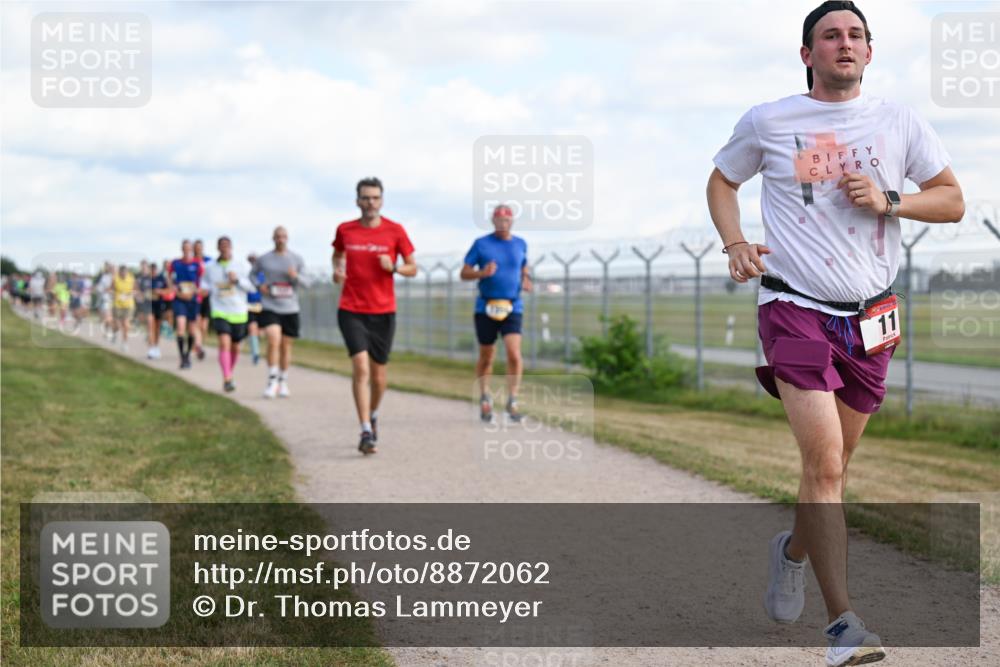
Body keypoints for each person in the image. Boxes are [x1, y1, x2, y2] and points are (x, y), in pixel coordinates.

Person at [706, 3, 964, 665]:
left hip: (872, 318)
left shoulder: (899, 122)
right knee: (823, 465)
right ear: (808, 54)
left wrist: (890, 200)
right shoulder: (770, 120)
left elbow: (952, 198)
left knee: (834, 468)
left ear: (869, 53)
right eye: (830, 35)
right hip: (793, 306)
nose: (843, 44)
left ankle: (792, 551)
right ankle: (844, 625)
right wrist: (735, 241)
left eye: (855, 35)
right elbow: (722, 179)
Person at [332, 177, 417, 455]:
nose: (371, 203)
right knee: (361, 368)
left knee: (379, 379)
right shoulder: (346, 230)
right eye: (366, 198)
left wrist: (393, 267)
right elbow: (337, 254)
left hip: (383, 311)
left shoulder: (395, 231)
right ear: (357, 201)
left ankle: (374, 413)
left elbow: (413, 268)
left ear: (382, 200)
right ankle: (365, 430)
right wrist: (337, 270)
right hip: (351, 308)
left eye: (375, 198)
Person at [460, 204, 532, 422]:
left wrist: (526, 278)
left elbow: (523, 266)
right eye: (499, 220)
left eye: (507, 220)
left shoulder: (520, 244)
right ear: (493, 221)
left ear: (512, 222)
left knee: (514, 353)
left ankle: (513, 400)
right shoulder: (481, 244)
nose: (503, 223)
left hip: (512, 306)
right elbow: (464, 273)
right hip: (486, 307)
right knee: (487, 355)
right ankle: (485, 396)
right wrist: (482, 273)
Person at [253, 226, 306, 398]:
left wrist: (295, 276)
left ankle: (283, 381)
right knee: (273, 339)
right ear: (273, 238)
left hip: (290, 307)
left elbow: (306, 282)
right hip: (270, 305)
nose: (280, 239)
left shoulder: (296, 259)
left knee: (286, 345)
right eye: (277, 236)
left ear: (287, 238)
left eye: (283, 236)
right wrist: (259, 285)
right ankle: (272, 380)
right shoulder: (264, 259)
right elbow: (252, 275)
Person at [203, 236, 254, 392]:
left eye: (227, 245)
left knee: (236, 347)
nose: (224, 248)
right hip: (219, 309)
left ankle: (229, 373)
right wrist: (203, 290)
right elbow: (204, 283)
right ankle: (227, 377)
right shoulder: (210, 267)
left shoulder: (242, 265)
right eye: (221, 246)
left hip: (238, 311)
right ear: (218, 248)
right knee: (224, 342)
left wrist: (237, 280)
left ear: (231, 247)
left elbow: (252, 287)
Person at [169, 240, 205, 369]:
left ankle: (188, 354)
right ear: (181, 249)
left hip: (193, 300)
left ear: (192, 249)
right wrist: (176, 291)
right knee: (180, 326)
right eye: (184, 248)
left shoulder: (197, 264)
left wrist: (195, 292)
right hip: (179, 299)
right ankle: (182, 357)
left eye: (189, 248)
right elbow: (170, 280)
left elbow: (203, 281)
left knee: (191, 330)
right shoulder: (175, 263)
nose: (187, 250)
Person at [111, 264, 136, 351]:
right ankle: (115, 333)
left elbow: (135, 289)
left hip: (129, 304)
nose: (123, 274)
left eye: (125, 273)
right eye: (122, 273)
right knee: (117, 324)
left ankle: (125, 343)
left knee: (126, 324)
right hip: (117, 304)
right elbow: (111, 289)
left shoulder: (131, 279)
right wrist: (114, 294)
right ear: (119, 272)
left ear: (127, 272)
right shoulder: (115, 279)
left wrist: (131, 294)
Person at [245, 253, 264, 365]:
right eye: (251, 260)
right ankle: (255, 353)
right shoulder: (246, 274)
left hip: (262, 305)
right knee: (252, 328)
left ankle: (254, 343)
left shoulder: (263, 274)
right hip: (249, 305)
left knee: (261, 331)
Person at [194, 238, 211, 356]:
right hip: (195, 295)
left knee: (204, 326)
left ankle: (200, 344)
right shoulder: (191, 261)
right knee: (196, 322)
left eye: (200, 247)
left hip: (207, 295)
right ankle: (198, 346)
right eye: (196, 247)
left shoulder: (209, 261)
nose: (198, 249)